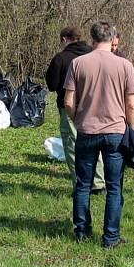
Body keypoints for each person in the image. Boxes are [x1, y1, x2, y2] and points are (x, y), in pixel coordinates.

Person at [64, 21, 134, 248]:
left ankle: (82, 231)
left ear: (92, 38)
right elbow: (132, 105)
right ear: (112, 37)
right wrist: (132, 128)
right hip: (115, 131)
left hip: (86, 130)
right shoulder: (124, 65)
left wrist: (78, 119)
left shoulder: (78, 63)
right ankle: (111, 237)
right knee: (114, 186)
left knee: (83, 184)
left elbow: (68, 101)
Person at [44, 26, 105, 193]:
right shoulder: (93, 54)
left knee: (72, 144)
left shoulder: (61, 58)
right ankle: (99, 183)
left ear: (64, 39)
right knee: (94, 141)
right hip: (93, 104)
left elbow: (52, 85)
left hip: (69, 104)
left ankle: (80, 184)